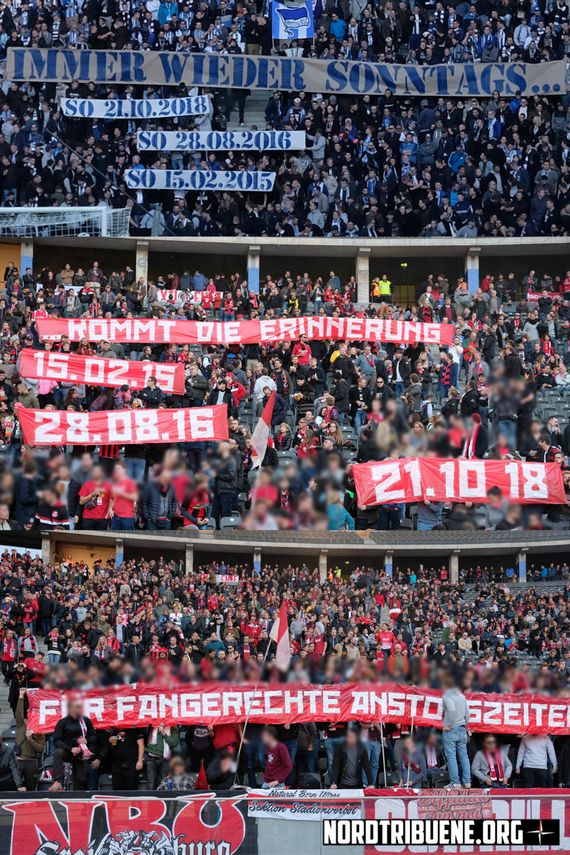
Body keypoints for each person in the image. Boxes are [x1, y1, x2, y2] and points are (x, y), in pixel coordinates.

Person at [50, 697, 98, 791]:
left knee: (80, 780)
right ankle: (58, 782)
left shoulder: (86, 721)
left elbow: (95, 737)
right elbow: (56, 741)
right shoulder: (62, 722)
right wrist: (70, 749)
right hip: (67, 751)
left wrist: (87, 740)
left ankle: (79, 796)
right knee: (57, 752)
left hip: (82, 752)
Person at [441, 669, 471, 789]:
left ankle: (455, 782)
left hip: (451, 729)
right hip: (462, 728)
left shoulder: (447, 694)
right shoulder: (461, 696)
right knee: (464, 756)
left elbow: (451, 710)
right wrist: (465, 725)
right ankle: (467, 781)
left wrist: (448, 724)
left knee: (451, 756)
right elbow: (467, 713)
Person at [15, 689, 45, 790]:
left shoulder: (40, 730)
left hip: (31, 762)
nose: (30, 714)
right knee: (16, 787)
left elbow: (40, 749)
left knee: (30, 787)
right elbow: (19, 713)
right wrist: (21, 696)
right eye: (29, 712)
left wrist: (30, 739)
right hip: (18, 761)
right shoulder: (21, 725)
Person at [145, 724, 180, 789]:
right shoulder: (152, 725)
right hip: (151, 758)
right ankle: (150, 799)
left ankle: (162, 799)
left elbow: (174, 743)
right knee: (151, 783)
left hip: (165, 760)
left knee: (164, 784)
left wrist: (164, 733)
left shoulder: (173, 728)